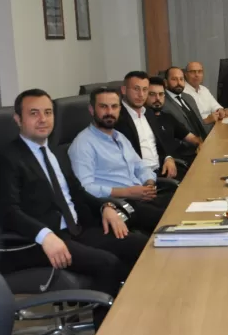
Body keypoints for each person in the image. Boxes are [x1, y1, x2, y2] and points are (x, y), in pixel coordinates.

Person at [0, 89, 149, 325]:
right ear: (18, 119)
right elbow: (8, 212)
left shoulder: (54, 152)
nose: (43, 119)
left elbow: (78, 191)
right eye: (34, 113)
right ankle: (104, 331)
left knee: (138, 245)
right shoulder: (7, 159)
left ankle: (132, 317)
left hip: (74, 230)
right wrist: (45, 236)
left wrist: (105, 207)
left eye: (48, 112)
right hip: (36, 242)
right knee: (107, 263)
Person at [68, 88, 174, 232]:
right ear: (92, 110)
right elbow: (85, 188)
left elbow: (140, 166)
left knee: (182, 201)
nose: (109, 112)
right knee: (172, 219)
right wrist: (127, 192)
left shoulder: (120, 137)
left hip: (141, 196)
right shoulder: (83, 144)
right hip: (120, 205)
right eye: (103, 107)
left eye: (114, 106)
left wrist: (149, 183)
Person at [115, 71, 181, 180]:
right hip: (139, 178)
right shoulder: (116, 118)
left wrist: (168, 158)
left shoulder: (149, 113)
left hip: (161, 171)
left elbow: (159, 143)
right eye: (136, 89)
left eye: (145, 89)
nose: (141, 94)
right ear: (124, 90)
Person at [147, 76, 200, 163]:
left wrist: (200, 144)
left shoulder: (168, 117)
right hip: (166, 164)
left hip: (183, 160)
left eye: (161, 94)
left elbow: (191, 137)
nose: (158, 98)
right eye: (152, 94)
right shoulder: (143, 121)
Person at [163, 66, 208, 140]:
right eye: (174, 79)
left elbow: (200, 122)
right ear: (165, 82)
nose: (179, 83)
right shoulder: (163, 102)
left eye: (181, 79)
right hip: (188, 145)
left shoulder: (188, 97)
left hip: (204, 140)